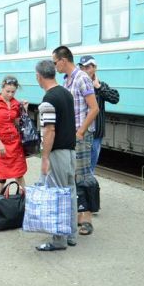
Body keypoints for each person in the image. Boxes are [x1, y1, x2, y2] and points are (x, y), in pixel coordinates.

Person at [52, 46, 99, 236]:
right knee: (73, 174)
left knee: (83, 175)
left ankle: (87, 219)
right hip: (71, 135)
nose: (55, 66)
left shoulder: (82, 78)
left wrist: (80, 131)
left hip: (81, 135)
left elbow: (93, 108)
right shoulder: (67, 80)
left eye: (55, 62)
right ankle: (79, 215)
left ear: (64, 60)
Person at [34, 60, 78, 252]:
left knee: (57, 195)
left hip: (57, 153)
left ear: (39, 76)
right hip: (70, 152)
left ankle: (59, 240)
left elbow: (49, 130)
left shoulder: (48, 100)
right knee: (70, 193)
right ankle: (71, 235)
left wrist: (44, 158)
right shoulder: (67, 94)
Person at [0, 76, 28, 197]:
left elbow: (18, 123)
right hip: (1, 144)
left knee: (19, 174)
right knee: (1, 178)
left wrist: (24, 110)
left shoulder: (16, 103)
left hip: (15, 144)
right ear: (2, 88)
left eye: (13, 92)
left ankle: (28, 203)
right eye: (7, 91)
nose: (10, 94)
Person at [78, 55, 120, 176]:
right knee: (79, 167)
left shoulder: (101, 85)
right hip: (80, 132)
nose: (85, 71)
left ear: (95, 68)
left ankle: (88, 191)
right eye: (82, 68)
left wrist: (98, 87)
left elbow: (115, 98)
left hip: (96, 134)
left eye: (88, 67)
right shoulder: (77, 84)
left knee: (90, 168)